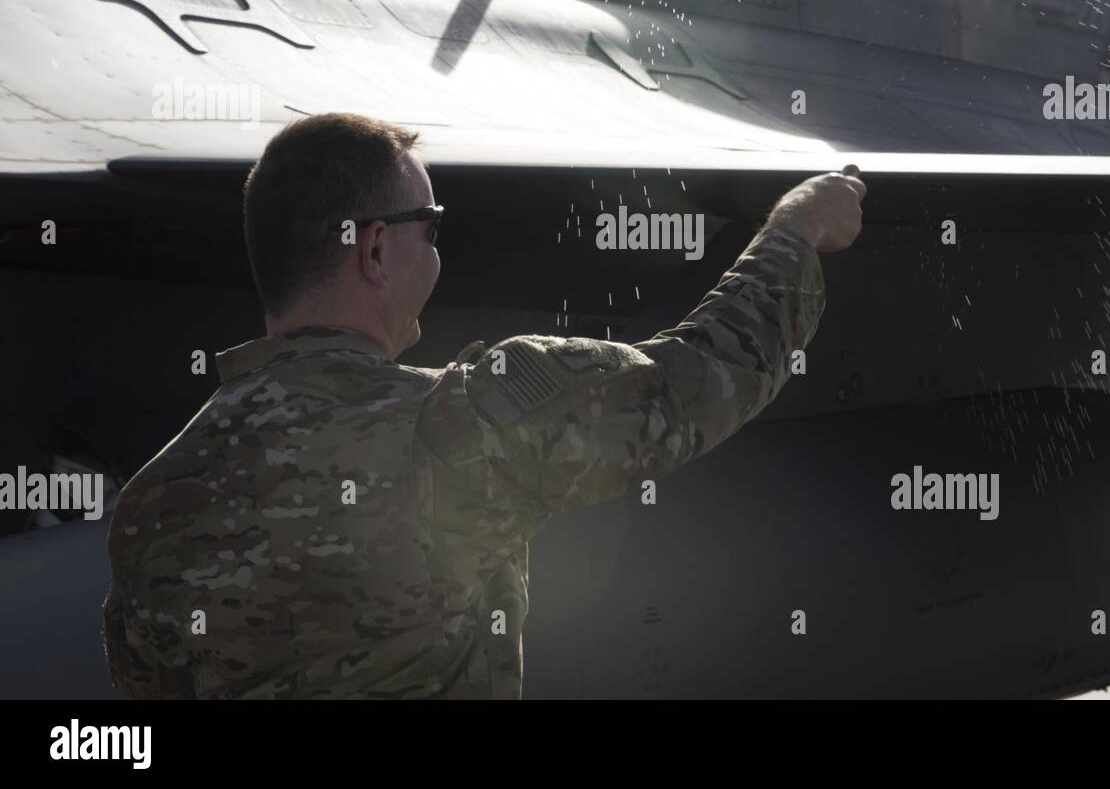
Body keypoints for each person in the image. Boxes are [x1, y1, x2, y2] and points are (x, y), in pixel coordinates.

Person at [102, 112, 866, 699]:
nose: (437, 252)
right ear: (373, 250)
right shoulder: (469, 418)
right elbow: (703, 375)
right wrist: (795, 228)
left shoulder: (149, 504)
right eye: (429, 229)